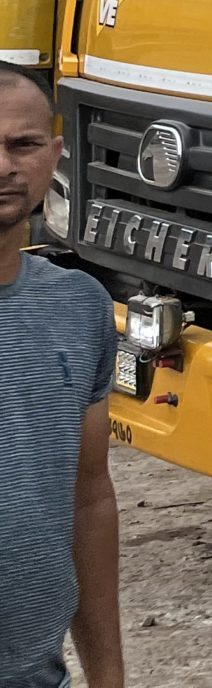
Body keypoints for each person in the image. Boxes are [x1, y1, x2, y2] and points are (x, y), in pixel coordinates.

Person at [0, 67, 125, 685]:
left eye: (21, 145)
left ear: (54, 155)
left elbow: (89, 497)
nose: (2, 166)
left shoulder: (78, 306)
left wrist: (108, 677)